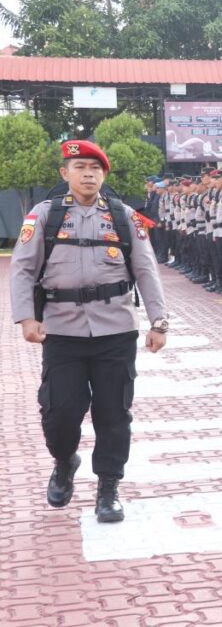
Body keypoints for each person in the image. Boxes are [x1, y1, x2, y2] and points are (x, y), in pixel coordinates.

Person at [9, 140, 168, 523]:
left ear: (104, 175)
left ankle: (108, 487)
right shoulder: (44, 216)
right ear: (65, 173)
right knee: (60, 412)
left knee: (114, 413)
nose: (88, 174)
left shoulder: (124, 217)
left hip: (116, 330)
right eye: (80, 167)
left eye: (95, 168)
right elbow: (23, 269)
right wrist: (26, 318)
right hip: (62, 332)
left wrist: (158, 321)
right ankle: (65, 460)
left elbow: (146, 269)